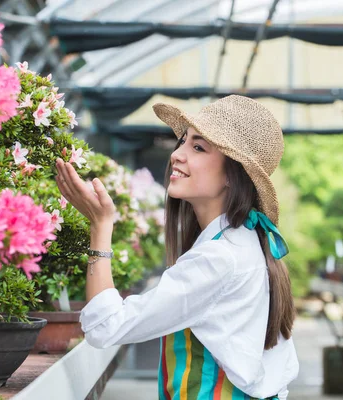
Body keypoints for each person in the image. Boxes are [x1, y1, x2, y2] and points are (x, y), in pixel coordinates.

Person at [55, 95, 299, 400]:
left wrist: (100, 227)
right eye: (182, 142)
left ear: (231, 174)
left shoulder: (220, 257)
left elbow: (105, 327)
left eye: (198, 147)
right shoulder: (242, 241)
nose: (177, 155)